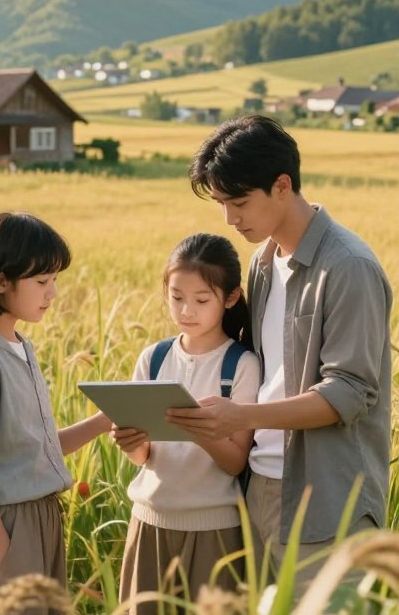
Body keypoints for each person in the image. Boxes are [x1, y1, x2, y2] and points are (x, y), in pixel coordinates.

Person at [168, 115, 391, 593]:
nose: (230, 219)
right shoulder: (263, 262)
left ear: (283, 185)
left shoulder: (348, 267)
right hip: (259, 487)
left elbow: (348, 393)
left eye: (240, 201)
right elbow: (257, 367)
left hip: (328, 498)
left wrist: (240, 416)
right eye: (223, 203)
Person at [0, 212, 110, 615]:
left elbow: (31, 451)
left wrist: (102, 423)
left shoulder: (18, 346)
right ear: (0, 281)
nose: (52, 294)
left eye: (54, 281)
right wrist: (5, 553)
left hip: (37, 523)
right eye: (41, 282)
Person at [113, 233, 260, 613]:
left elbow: (235, 463)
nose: (186, 311)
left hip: (214, 530)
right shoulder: (154, 359)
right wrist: (131, 443)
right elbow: (144, 456)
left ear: (229, 298)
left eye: (200, 300)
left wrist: (201, 429)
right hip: (149, 521)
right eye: (176, 298)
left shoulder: (241, 366)